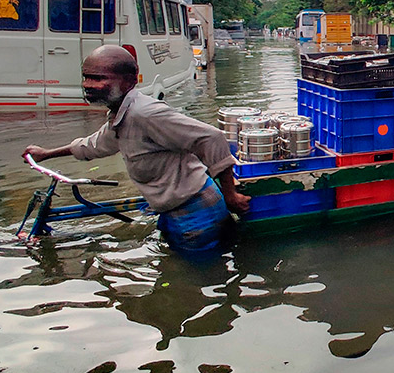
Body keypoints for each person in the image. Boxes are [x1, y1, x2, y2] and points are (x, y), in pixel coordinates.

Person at [23, 45, 249, 256]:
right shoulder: (121, 114)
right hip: (172, 212)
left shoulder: (146, 113)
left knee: (197, 280)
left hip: (196, 214)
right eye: (87, 77)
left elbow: (212, 137)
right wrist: (47, 153)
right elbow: (95, 145)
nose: (88, 85)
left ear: (129, 82)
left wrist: (230, 195)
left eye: (99, 78)